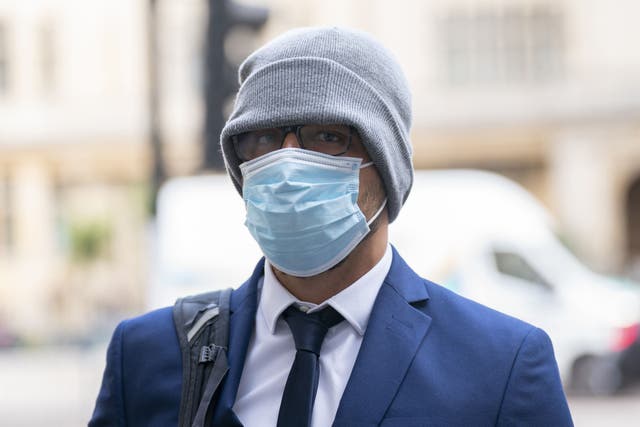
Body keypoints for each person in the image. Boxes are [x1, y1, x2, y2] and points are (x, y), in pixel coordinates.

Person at [89, 27, 573, 426]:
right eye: (260, 138)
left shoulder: (500, 365)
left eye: (328, 136)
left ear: (388, 169)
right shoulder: (147, 356)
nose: (286, 163)